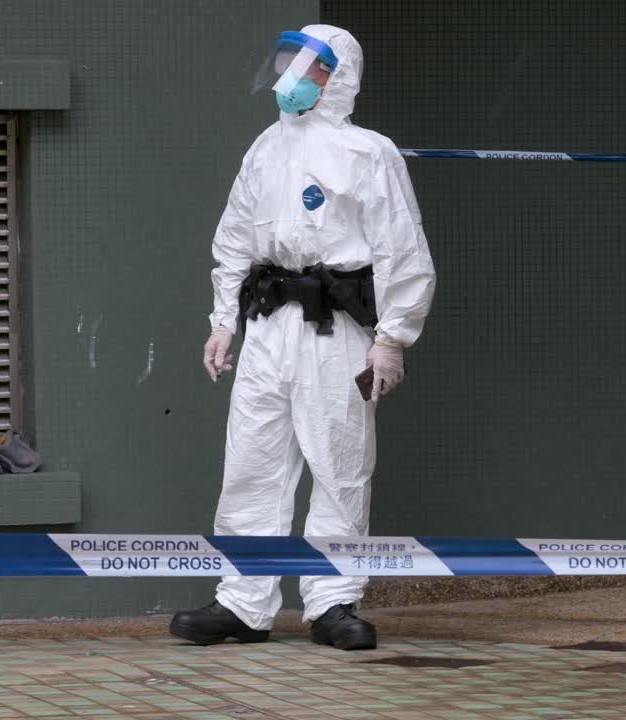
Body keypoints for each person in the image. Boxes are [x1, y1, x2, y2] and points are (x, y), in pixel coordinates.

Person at [171, 24, 435, 651]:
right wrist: (222, 320)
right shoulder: (265, 147)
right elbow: (235, 236)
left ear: (336, 74)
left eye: (307, 66)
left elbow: (403, 249)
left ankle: (332, 602)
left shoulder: (369, 152)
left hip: (334, 327)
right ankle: (241, 602)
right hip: (268, 326)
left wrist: (392, 338)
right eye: (286, 62)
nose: (291, 76)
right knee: (251, 464)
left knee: (339, 463)